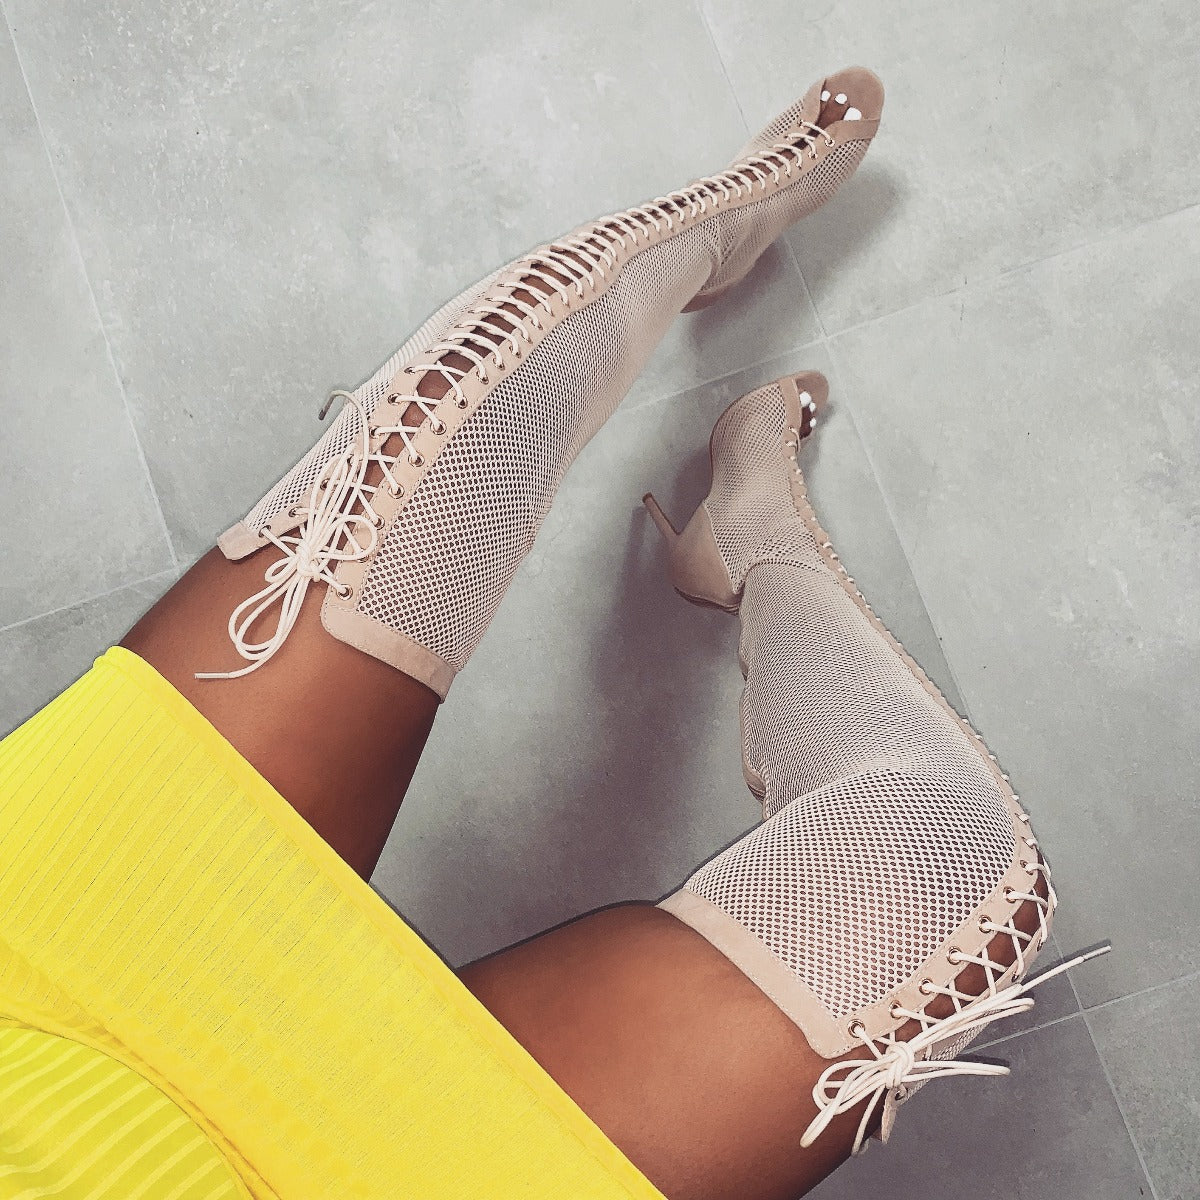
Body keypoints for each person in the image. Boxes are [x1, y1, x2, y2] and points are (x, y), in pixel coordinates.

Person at [0, 66, 1101, 1199]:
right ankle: (753, 541)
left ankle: (709, 234)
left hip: (31, 1006)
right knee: (964, 870)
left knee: (455, 418)